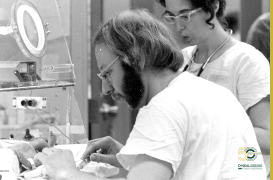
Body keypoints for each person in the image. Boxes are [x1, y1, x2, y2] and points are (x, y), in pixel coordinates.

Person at [34, 9, 266, 180]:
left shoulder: (164, 107)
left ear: (135, 59)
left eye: (107, 74)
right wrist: (138, 156)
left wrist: (66, 171)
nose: (106, 89)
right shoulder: (216, 95)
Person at [157, 0, 270, 178]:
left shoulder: (247, 61)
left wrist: (204, 125)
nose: (178, 26)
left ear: (213, 6)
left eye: (185, 15)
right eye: (172, 17)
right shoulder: (182, 61)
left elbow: (267, 138)